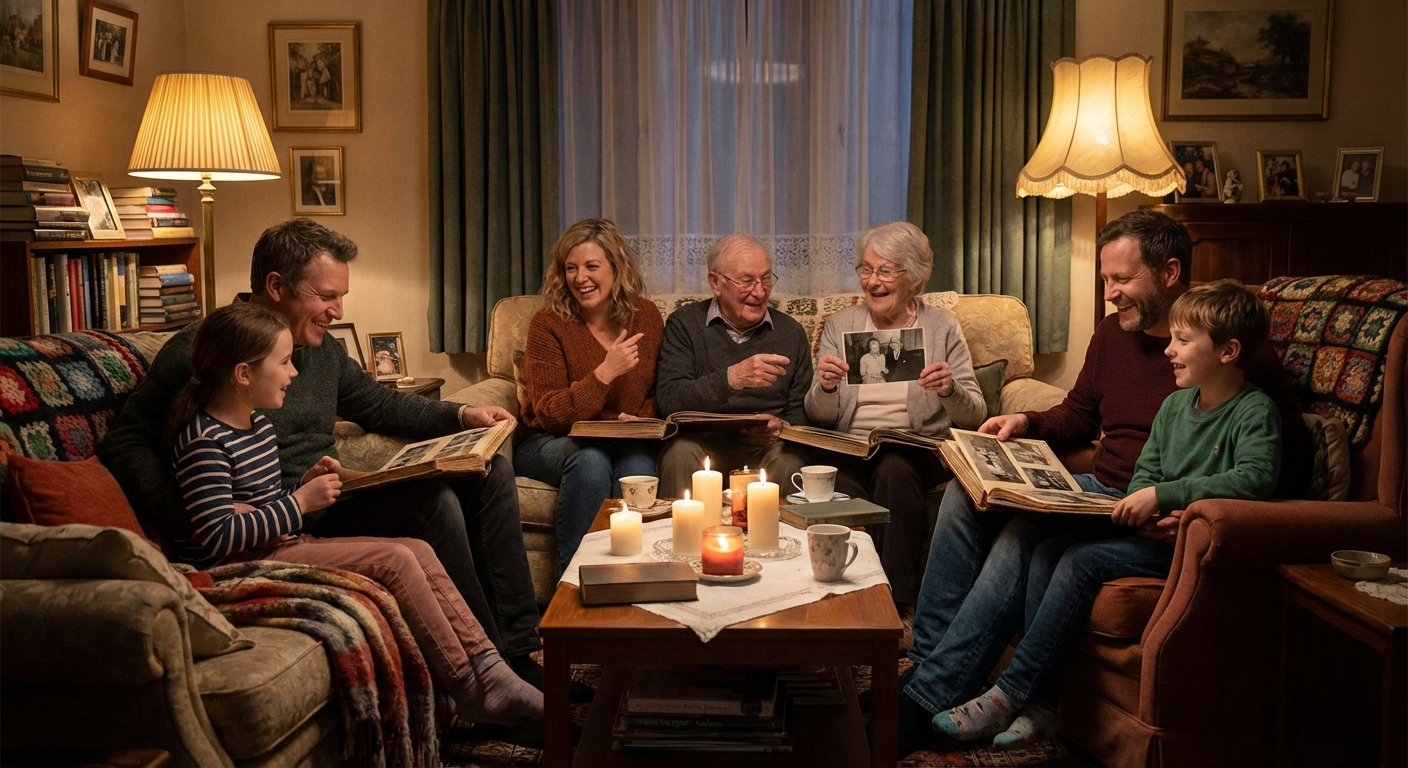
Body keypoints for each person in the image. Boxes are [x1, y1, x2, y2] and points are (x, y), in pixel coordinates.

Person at [896, 210, 1310, 756]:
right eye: (1105, 280)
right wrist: (1026, 423)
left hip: (1160, 506)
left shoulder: (1231, 354)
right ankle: (928, 658)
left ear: (1168, 272)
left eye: (1121, 280)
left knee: (1025, 536)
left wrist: (1194, 511)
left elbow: (1285, 465)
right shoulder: (1114, 336)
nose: (1110, 294)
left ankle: (935, 694)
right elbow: (1078, 413)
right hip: (1102, 485)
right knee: (963, 491)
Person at [97, 218, 547, 697]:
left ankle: (517, 652)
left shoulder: (318, 349)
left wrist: (462, 415)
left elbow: (379, 403)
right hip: (287, 519)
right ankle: (488, 672)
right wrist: (199, 517)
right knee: (433, 503)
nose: (337, 310)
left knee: (490, 466)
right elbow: (124, 445)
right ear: (276, 286)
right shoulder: (206, 349)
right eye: (327, 295)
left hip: (330, 494)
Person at [166, 302, 542, 726]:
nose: (293, 373)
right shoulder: (205, 441)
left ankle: (489, 665)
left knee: (415, 547)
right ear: (243, 373)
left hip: (284, 541)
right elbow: (217, 536)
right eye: (285, 362)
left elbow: (268, 499)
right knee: (398, 558)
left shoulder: (259, 426)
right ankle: (471, 687)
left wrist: (302, 485)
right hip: (244, 563)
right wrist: (300, 503)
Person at [806, 221, 987, 611]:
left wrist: (949, 389)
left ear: (914, 276)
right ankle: (837, 603)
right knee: (832, 480)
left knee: (894, 469)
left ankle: (893, 605)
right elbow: (818, 417)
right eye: (866, 270)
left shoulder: (941, 327)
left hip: (918, 450)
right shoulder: (842, 325)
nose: (872, 282)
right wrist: (826, 387)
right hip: (852, 447)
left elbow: (975, 415)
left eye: (885, 271)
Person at [515, 219, 662, 575]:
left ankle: (635, 583)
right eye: (571, 268)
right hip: (550, 441)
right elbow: (549, 413)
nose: (580, 278)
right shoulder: (548, 324)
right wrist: (604, 373)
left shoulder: (647, 317)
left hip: (624, 440)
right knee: (591, 460)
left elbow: (657, 392)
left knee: (639, 469)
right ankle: (575, 587)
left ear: (616, 268)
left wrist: (641, 418)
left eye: (592, 266)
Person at [656, 234, 812, 497]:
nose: (760, 292)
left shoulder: (791, 333)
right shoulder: (684, 325)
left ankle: (783, 538)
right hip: (700, 443)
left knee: (791, 460)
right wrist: (732, 378)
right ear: (716, 283)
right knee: (678, 454)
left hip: (767, 449)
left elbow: (802, 409)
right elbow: (670, 400)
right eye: (747, 281)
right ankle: (680, 538)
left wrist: (782, 427)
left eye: (765, 278)